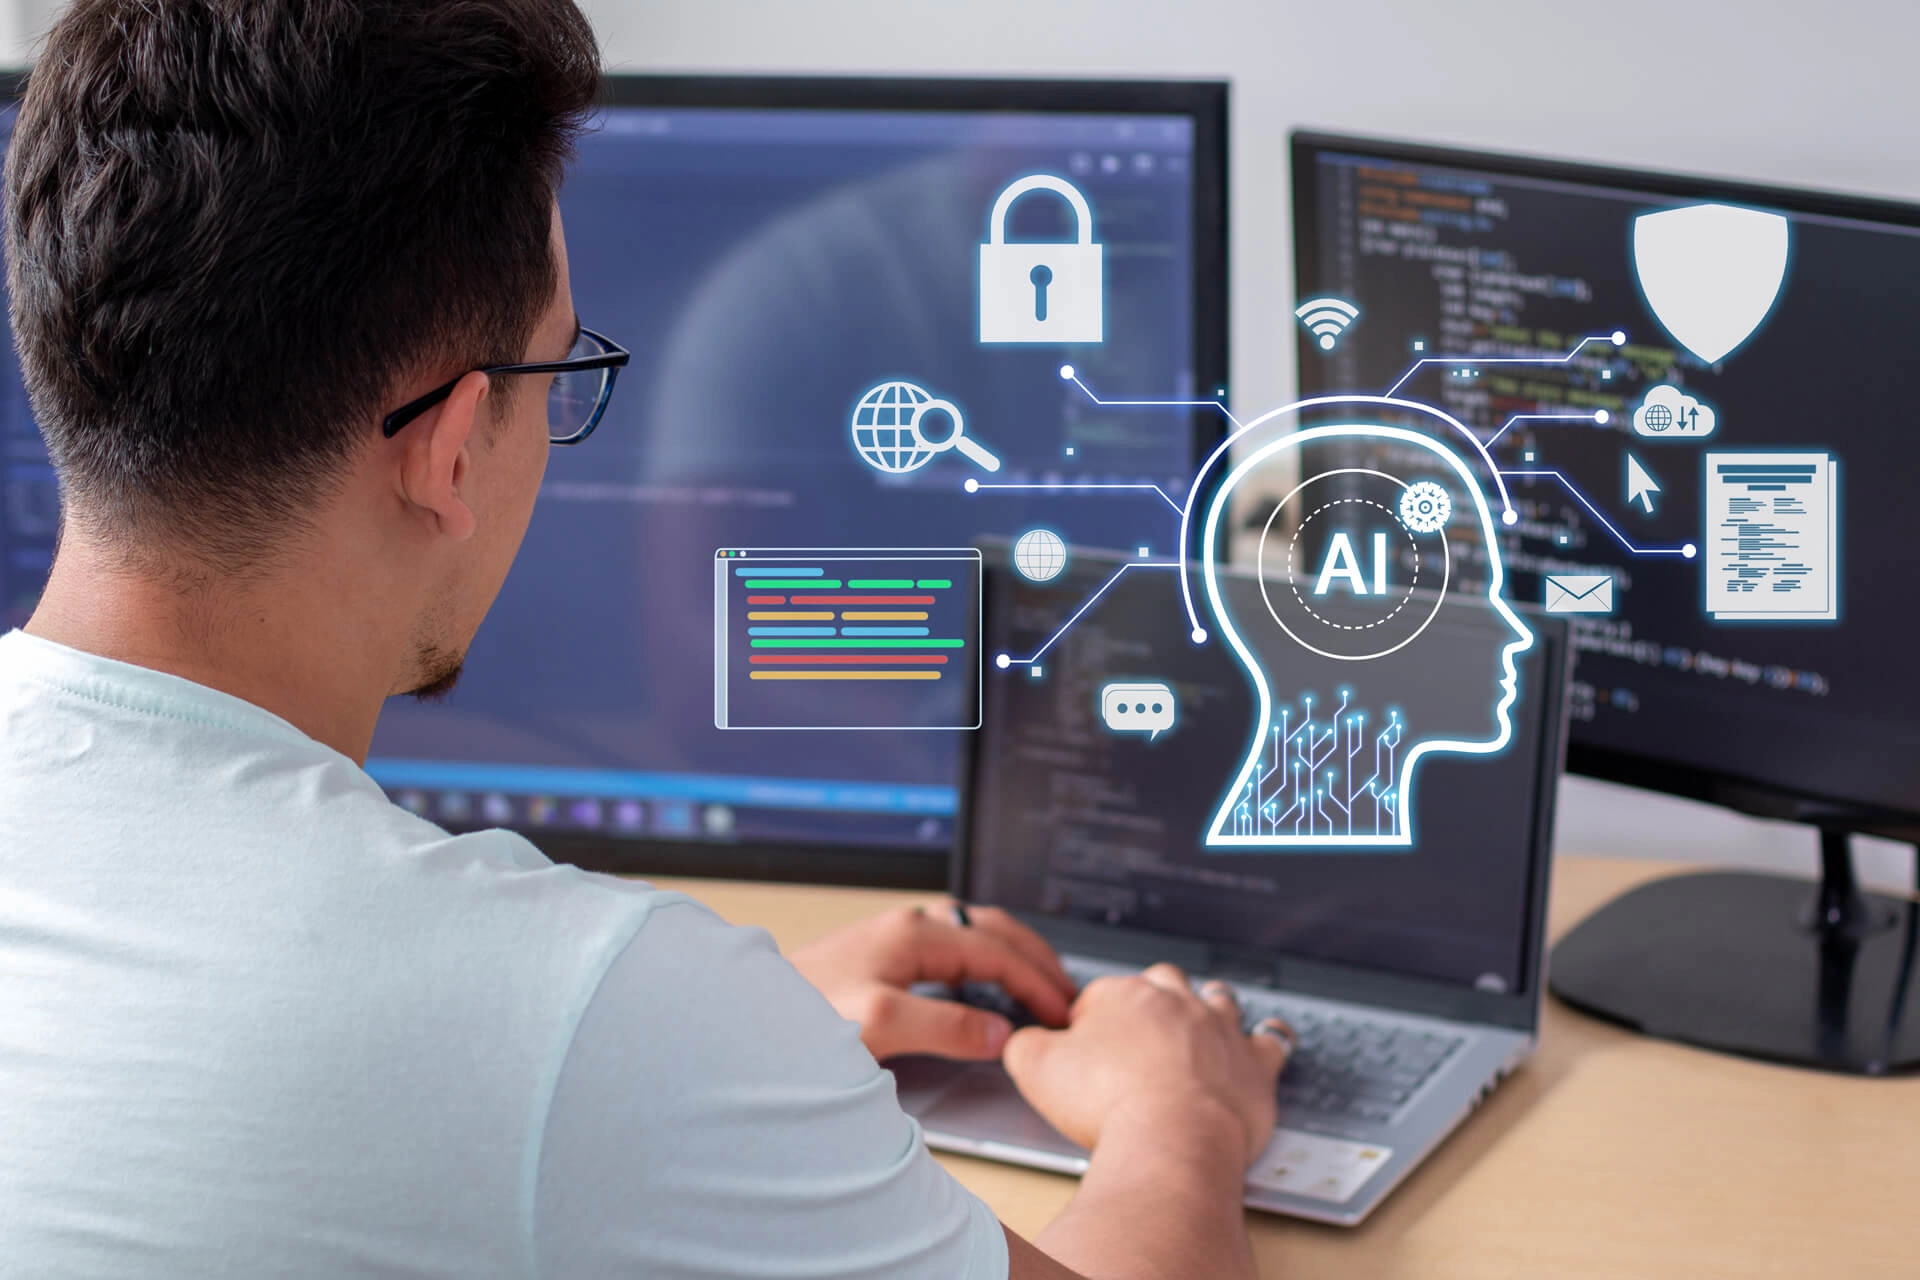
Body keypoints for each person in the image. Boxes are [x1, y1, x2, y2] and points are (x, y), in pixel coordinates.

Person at [0, 2, 1294, 1276]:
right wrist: (1180, 1118)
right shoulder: (574, 1017)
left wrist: (719, 1059)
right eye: (561, 376)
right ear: (451, 450)